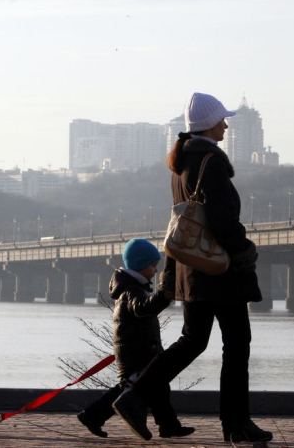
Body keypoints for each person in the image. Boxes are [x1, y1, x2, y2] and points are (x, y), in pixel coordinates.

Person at [113, 92, 273, 443]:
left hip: (191, 270)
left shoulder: (180, 163)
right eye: (221, 120)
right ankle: (236, 424)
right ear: (208, 124)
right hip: (219, 271)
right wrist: (244, 251)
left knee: (192, 341)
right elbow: (221, 220)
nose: (226, 125)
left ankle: (134, 396)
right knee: (237, 344)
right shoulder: (210, 163)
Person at [77, 238, 194, 440]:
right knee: (129, 390)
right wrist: (163, 295)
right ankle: (92, 415)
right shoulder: (131, 291)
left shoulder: (131, 288)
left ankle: (168, 425)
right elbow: (143, 308)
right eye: (152, 266)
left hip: (142, 352)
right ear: (141, 265)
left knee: (158, 388)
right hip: (136, 354)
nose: (155, 270)